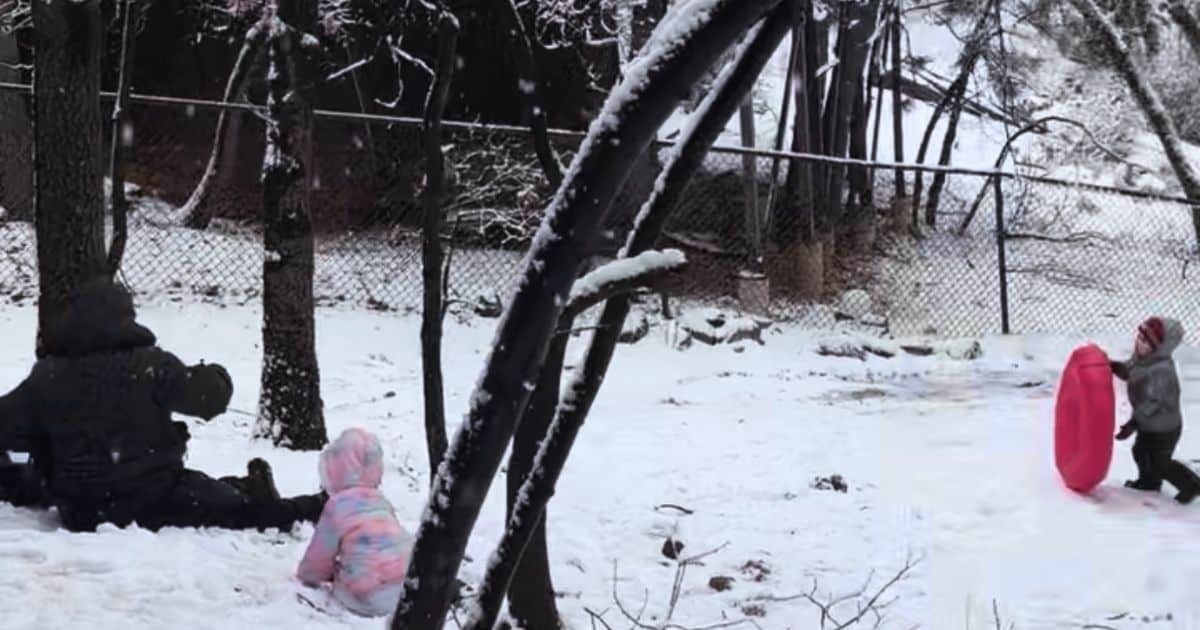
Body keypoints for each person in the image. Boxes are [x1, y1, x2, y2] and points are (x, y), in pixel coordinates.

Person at [0, 277, 324, 531]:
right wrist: (215, 374)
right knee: (233, 511)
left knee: (206, 496)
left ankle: (244, 487)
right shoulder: (151, 365)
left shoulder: (48, 376)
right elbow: (211, 399)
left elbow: (7, 425)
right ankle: (313, 507)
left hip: (81, 507)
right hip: (152, 493)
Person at [297, 428, 412, 617]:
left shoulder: (337, 506)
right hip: (405, 591)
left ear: (334, 469)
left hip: (368, 599)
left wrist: (306, 576)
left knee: (343, 579)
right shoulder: (381, 501)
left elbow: (317, 560)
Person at [1111, 316, 1200, 505]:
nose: (1139, 343)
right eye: (1139, 337)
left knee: (1160, 462)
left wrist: (1133, 423)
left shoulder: (1162, 371)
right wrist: (1110, 366)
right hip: (1149, 423)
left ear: (1159, 347)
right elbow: (1128, 370)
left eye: (1146, 341)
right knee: (1140, 451)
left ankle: (1192, 484)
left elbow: (1153, 403)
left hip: (1164, 427)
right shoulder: (1142, 359)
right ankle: (1149, 482)